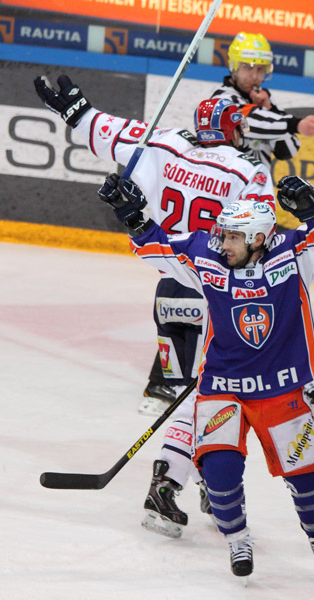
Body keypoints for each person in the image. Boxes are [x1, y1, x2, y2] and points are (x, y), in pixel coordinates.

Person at [33, 75, 275, 537]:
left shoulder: (162, 143)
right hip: (213, 290)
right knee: (217, 395)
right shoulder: (247, 169)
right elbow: (261, 233)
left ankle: (195, 476)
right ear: (229, 130)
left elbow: (107, 132)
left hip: (167, 281)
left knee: (190, 387)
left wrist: (76, 112)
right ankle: (181, 481)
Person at [98, 172, 314, 583]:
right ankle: (237, 539)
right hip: (222, 386)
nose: (222, 243)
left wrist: (313, 209)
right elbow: (159, 249)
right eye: (222, 234)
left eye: (233, 237)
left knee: (305, 474)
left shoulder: (292, 256)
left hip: (280, 386)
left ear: (257, 239)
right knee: (219, 468)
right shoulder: (207, 257)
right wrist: (132, 214)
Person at [212, 32, 314, 413]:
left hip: (260, 215)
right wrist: (288, 119)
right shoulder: (222, 101)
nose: (256, 74)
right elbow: (255, 125)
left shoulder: (260, 102)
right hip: (231, 218)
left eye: (261, 67)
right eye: (249, 66)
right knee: (228, 294)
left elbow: (287, 148)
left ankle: (299, 373)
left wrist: (274, 111)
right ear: (233, 66)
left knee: (281, 288)